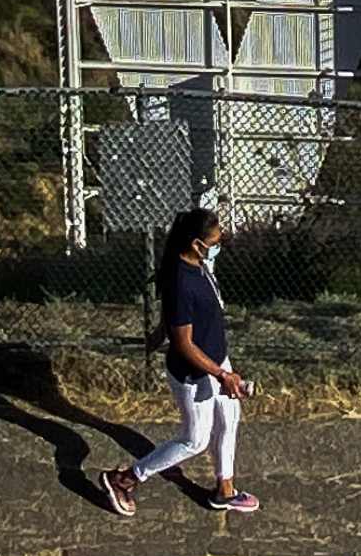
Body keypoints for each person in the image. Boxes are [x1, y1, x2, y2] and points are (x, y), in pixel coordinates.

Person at [99, 204, 251, 519]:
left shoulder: (198, 266)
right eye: (215, 241)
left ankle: (225, 491)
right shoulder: (182, 281)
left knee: (229, 420)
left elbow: (177, 319)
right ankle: (124, 479)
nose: (219, 244)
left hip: (215, 361)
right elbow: (183, 344)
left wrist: (159, 332)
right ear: (197, 244)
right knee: (194, 440)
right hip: (195, 374)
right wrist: (222, 375)